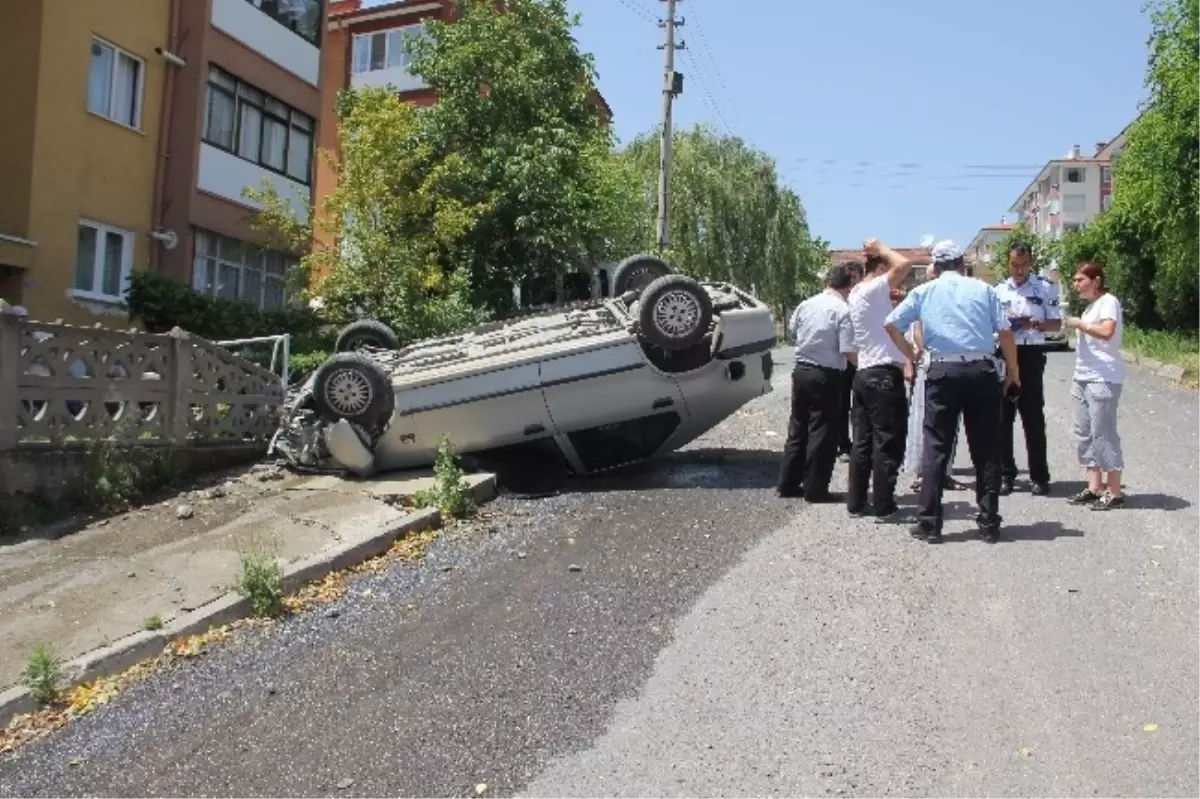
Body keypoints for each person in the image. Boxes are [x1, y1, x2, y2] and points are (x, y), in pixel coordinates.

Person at [884, 240, 1020, 544]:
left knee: (936, 447)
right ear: (961, 263)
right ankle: (989, 524)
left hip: (942, 371)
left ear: (935, 266)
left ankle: (929, 524)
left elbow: (891, 324)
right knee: (986, 448)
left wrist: (913, 354)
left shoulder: (923, 292)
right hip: (982, 370)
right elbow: (1006, 331)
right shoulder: (985, 290)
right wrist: (1014, 372)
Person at [846, 239, 914, 519]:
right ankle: (884, 505)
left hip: (864, 373)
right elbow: (905, 264)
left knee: (862, 442)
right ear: (882, 268)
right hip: (883, 375)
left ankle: (857, 502)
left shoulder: (858, 293)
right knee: (888, 440)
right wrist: (881, 247)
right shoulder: (874, 288)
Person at [778, 265, 857, 501]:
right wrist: (864, 365)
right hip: (827, 374)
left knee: (798, 428)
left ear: (826, 283)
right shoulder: (843, 310)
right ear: (848, 286)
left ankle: (788, 483)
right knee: (823, 432)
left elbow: (793, 330)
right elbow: (847, 350)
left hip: (801, 370)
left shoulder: (806, 304)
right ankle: (815, 489)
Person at [994, 242, 1061, 495]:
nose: (1019, 269)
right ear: (1007, 262)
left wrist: (1038, 323)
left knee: (1032, 416)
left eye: (1023, 264)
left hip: (1031, 353)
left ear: (1031, 262)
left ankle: (1039, 476)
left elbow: (1056, 324)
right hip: (1003, 353)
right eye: (1014, 264)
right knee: (1003, 417)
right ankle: (1005, 474)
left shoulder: (1044, 287)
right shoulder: (998, 290)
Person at [1063, 262, 1126, 510]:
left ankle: (1114, 491)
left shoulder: (1108, 301)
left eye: (1080, 280)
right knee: (1084, 433)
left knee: (1103, 433)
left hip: (1103, 377)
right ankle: (1093, 487)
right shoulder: (1091, 307)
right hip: (1082, 376)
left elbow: (1107, 331)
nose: (1075, 284)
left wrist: (1079, 324)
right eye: (1075, 280)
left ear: (1096, 281)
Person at [837, 262, 865, 460]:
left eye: (855, 277)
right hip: (843, 359)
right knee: (840, 404)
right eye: (849, 278)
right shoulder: (840, 302)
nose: (852, 282)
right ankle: (844, 445)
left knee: (861, 405)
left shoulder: (865, 299)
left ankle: (860, 443)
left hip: (862, 357)